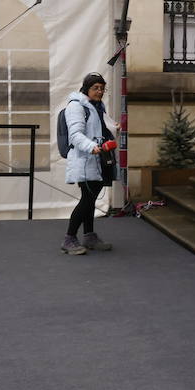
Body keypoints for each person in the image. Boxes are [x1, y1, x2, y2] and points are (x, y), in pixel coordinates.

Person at [61, 73, 116, 254]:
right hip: (86, 159)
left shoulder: (97, 106)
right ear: (86, 88)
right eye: (95, 88)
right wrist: (92, 147)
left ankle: (89, 236)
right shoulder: (76, 106)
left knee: (91, 199)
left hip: (99, 158)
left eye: (102, 88)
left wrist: (113, 129)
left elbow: (101, 126)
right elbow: (75, 135)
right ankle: (69, 239)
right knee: (87, 200)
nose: (99, 91)